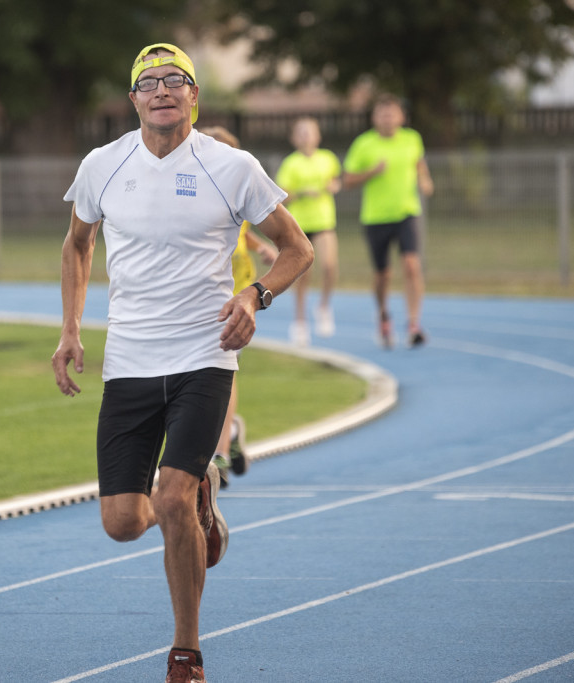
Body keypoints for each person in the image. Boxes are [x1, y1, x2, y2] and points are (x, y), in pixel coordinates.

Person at [51, 43, 313, 683]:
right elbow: (78, 246)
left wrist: (256, 295)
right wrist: (69, 331)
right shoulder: (103, 165)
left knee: (168, 499)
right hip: (130, 362)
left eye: (176, 80)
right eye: (149, 82)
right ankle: (201, 500)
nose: (162, 90)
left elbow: (296, 248)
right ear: (133, 98)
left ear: (194, 95)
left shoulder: (232, 167)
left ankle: (186, 651)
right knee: (121, 523)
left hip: (205, 356)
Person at [198, 126, 278, 487]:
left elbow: (242, 227)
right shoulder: (192, 192)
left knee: (223, 373)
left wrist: (261, 248)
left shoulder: (239, 190)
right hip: (196, 302)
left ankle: (219, 453)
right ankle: (230, 432)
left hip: (235, 299)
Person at [343, 94, 434, 348]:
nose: (388, 118)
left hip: (407, 212)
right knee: (383, 275)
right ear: (374, 118)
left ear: (401, 117)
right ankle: (383, 315)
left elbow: (419, 164)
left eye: (392, 113)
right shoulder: (364, 144)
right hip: (375, 217)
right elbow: (347, 180)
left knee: (411, 264)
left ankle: (414, 323)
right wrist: (371, 172)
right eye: (382, 114)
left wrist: (425, 180)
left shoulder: (412, 139)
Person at [275, 117, 341, 347]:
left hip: (324, 221)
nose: (305, 136)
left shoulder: (328, 159)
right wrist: (303, 193)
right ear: (294, 138)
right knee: (304, 275)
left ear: (318, 136)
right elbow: (283, 195)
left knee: (330, 266)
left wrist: (334, 186)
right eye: (300, 132)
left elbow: (335, 182)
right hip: (300, 224)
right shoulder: (290, 164)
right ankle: (300, 321)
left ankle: (323, 305)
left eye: (309, 132)